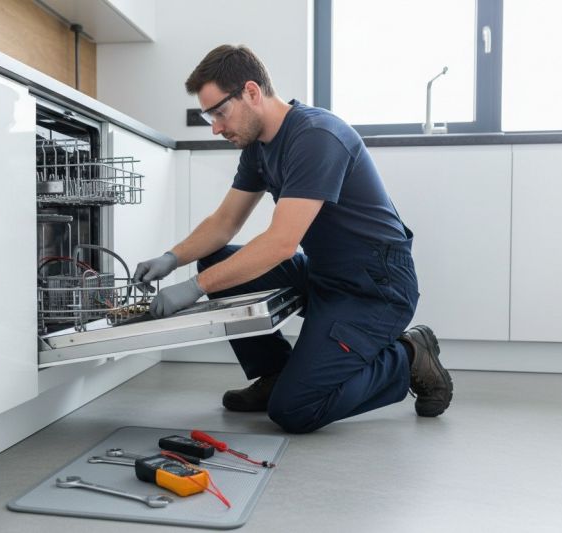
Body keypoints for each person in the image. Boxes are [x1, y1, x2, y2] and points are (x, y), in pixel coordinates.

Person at [133, 44, 453, 434]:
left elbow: (281, 243)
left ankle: (409, 355)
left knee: (297, 410)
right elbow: (224, 222)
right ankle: (275, 375)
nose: (215, 127)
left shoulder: (317, 136)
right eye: (209, 116)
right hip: (324, 273)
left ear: (251, 92)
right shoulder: (258, 148)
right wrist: (172, 258)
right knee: (215, 261)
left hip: (375, 286)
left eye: (219, 112)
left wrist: (195, 288)